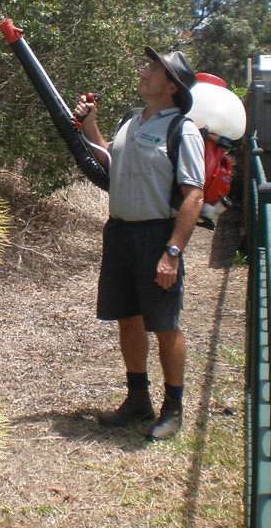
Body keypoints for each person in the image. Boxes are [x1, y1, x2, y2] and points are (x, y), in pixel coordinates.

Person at [74, 47, 204, 440]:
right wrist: (90, 126)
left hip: (155, 238)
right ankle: (137, 400)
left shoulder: (183, 130)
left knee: (164, 325)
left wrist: (173, 252)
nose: (145, 72)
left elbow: (194, 196)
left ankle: (173, 407)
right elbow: (112, 166)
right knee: (128, 318)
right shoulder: (131, 120)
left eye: (154, 69)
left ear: (172, 86)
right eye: (149, 66)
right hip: (120, 233)